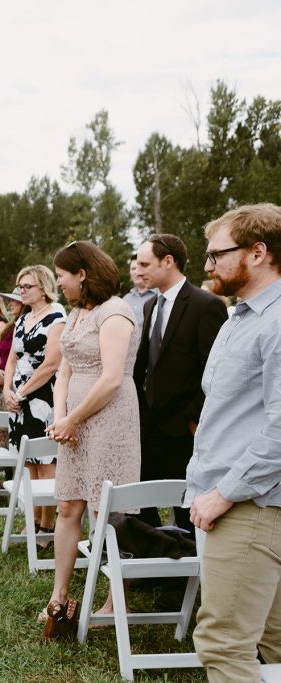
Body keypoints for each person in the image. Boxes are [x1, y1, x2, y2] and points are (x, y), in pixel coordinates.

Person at [186, 203, 281, 681]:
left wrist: (224, 493)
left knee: (223, 646)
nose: (207, 266)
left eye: (217, 254)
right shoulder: (238, 318)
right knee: (276, 642)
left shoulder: (278, 320)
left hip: (251, 503)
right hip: (232, 497)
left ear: (258, 252)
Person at [44, 240, 140, 626]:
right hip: (74, 426)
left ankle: (116, 600)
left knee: (107, 510)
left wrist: (75, 419)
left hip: (109, 420)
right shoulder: (76, 312)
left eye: (62, 276)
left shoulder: (115, 312)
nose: (59, 283)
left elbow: (112, 378)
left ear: (82, 274)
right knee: (68, 505)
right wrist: (61, 416)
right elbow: (64, 372)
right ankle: (60, 598)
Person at [131, 234, 227, 532]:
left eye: (145, 263)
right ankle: (153, 559)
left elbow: (215, 369)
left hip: (184, 428)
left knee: (185, 506)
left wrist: (193, 418)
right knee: (141, 500)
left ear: (168, 261)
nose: (138, 270)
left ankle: (186, 570)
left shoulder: (205, 304)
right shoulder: (150, 306)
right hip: (148, 424)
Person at [3, 265, 64, 533]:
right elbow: (12, 359)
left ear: (44, 288)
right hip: (17, 397)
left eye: (27, 286)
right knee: (27, 459)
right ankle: (35, 519)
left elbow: (51, 363)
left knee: (45, 460)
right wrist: (6, 390)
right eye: (20, 286)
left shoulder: (57, 317)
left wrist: (22, 392)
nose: (21, 291)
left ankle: (48, 526)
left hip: (43, 396)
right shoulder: (21, 319)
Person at [122, 255, 157, 327]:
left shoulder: (160, 296)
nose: (137, 272)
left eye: (140, 268)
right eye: (133, 269)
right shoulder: (125, 299)